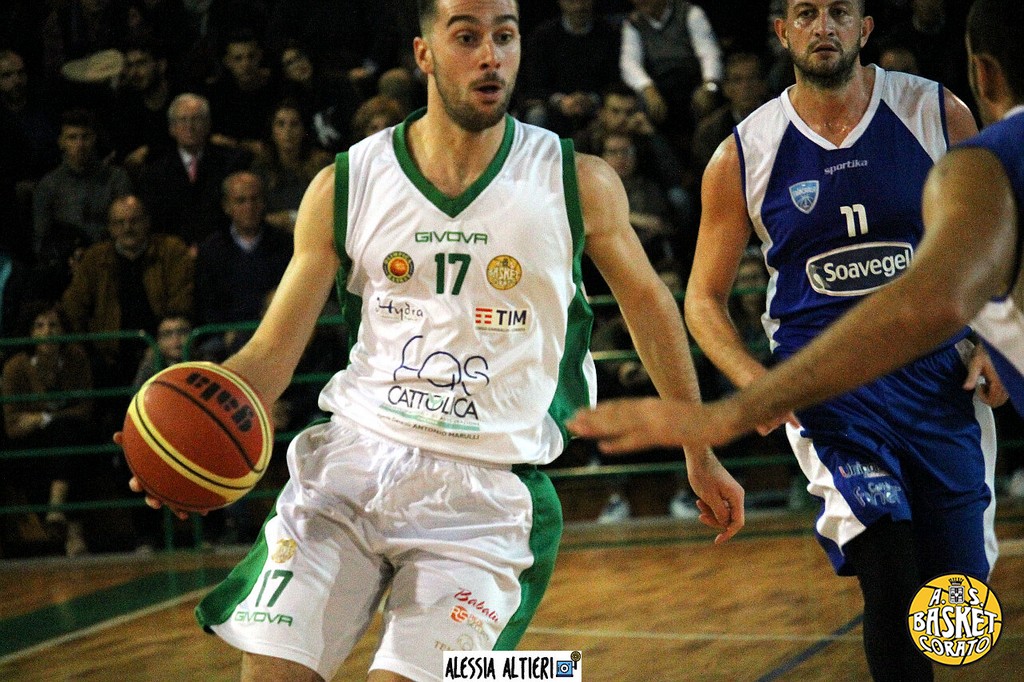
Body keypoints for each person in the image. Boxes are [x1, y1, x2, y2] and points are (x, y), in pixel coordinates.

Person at [124, 2, 744, 679]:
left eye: (505, 36)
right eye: (467, 37)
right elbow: (270, 355)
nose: (491, 56)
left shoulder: (577, 181)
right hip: (350, 468)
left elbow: (650, 306)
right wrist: (177, 442)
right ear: (423, 54)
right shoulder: (346, 184)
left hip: (484, 496)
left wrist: (699, 445)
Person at [571, 1, 1003, 680]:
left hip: (937, 376)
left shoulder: (938, 113)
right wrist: (757, 383)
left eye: (838, 11)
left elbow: (995, 236)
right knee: (887, 567)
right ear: (782, 31)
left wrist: (996, 337)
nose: (822, 26)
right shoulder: (743, 152)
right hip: (827, 393)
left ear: (865, 27)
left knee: (955, 598)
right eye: (806, 12)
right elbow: (701, 300)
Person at [61, 194, 194, 389]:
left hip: (161, 347)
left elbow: (181, 302)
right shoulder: (95, 259)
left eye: (134, 221)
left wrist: (159, 344)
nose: (127, 228)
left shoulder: (171, 250)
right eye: (119, 223)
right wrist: (84, 349)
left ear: (147, 222)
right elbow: (74, 307)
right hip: (110, 354)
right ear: (110, 227)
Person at [2, 302, 96, 557]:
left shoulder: (76, 358)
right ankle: (72, 532)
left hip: (70, 435)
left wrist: (42, 417)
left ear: (63, 330)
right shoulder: (15, 367)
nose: (47, 332)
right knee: (57, 450)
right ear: (30, 332)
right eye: (39, 326)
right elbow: (12, 425)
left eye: (53, 325)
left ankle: (58, 510)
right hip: (32, 441)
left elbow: (85, 409)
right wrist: (46, 419)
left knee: (70, 438)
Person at [194, 171, 292, 359]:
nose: (249, 207)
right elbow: (206, 302)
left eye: (255, 199)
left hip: (276, 331)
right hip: (226, 335)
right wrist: (224, 331)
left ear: (263, 202)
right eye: (241, 201)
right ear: (227, 206)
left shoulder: (285, 245)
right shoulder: (211, 250)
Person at [138, 93, 251, 247]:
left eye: (196, 119)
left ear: (208, 125)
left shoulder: (232, 163)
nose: (189, 127)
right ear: (172, 129)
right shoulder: (155, 172)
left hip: (223, 248)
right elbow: (156, 221)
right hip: (175, 251)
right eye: (182, 120)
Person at [32, 107, 133, 256]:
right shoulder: (48, 186)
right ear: (61, 142)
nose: (80, 145)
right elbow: (41, 240)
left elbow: (128, 228)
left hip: (110, 257)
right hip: (66, 261)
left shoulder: (116, 179)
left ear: (94, 138)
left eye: (85, 137)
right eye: (72, 138)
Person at [518, 0, 621, 137]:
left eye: (583, 1)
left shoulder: (609, 34)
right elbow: (534, 82)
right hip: (553, 105)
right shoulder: (542, 36)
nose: (579, 7)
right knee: (536, 115)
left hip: (597, 103)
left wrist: (591, 99)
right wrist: (561, 101)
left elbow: (614, 79)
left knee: (618, 113)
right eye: (572, 1)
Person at [251, 99, 333, 232]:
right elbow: (252, 214)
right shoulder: (260, 168)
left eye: (294, 124)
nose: (287, 131)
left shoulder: (322, 166)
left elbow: (332, 211)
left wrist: (294, 218)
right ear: (272, 131)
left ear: (303, 130)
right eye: (281, 124)